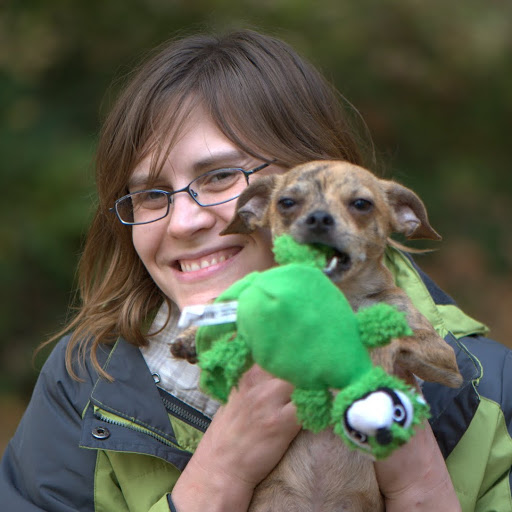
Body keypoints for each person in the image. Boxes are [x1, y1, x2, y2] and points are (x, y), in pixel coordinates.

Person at [1, 29, 510, 512]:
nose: (184, 221)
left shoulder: (491, 389)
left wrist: (414, 466)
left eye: (220, 176)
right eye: (152, 194)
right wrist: (222, 470)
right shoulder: (84, 382)